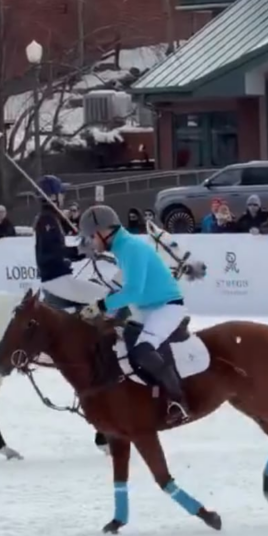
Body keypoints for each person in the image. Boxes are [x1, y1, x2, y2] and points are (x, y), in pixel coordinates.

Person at [78, 204, 189, 425]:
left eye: (92, 236)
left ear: (104, 231)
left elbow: (133, 290)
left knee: (143, 350)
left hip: (167, 306)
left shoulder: (131, 248)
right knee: (117, 341)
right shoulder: (122, 249)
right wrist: (107, 312)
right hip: (147, 307)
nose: (92, 241)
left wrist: (101, 306)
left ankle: (178, 401)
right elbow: (128, 291)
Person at [34, 175, 107, 307]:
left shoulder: (52, 218)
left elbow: (60, 252)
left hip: (59, 279)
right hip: (56, 281)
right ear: (52, 197)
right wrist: (80, 250)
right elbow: (55, 251)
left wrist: (83, 252)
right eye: (61, 193)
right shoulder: (47, 219)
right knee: (107, 297)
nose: (63, 196)